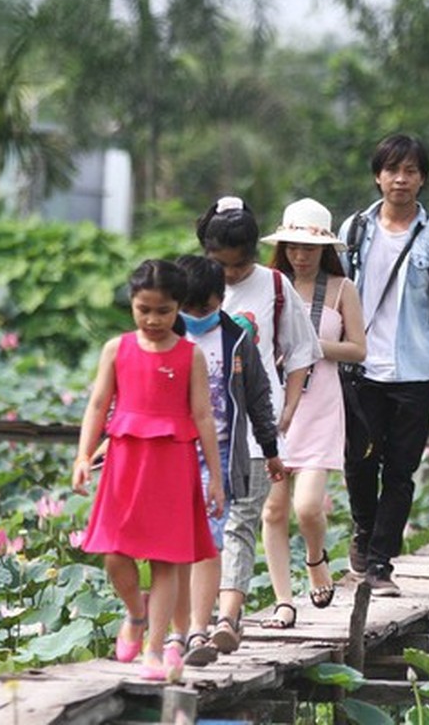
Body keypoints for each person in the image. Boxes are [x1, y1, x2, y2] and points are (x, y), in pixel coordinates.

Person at [71, 259, 225, 682]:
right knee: (114, 554)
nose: (153, 319)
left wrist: (215, 478)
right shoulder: (116, 349)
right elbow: (98, 405)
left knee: (166, 561)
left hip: (173, 463)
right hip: (124, 460)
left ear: (178, 308)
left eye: (163, 311)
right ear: (132, 305)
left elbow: (203, 416)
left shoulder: (190, 355)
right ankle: (135, 613)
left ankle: (155, 650)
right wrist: (84, 457)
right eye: (144, 309)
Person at [338, 133, 429, 597]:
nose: (401, 179)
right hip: (361, 367)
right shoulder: (353, 230)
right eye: (392, 170)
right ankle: (363, 532)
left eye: (410, 171)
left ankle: (379, 562)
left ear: (422, 179)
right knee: (358, 460)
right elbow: (334, 295)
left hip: (418, 370)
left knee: (400, 470)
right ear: (378, 176)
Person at [195, 197, 323, 649]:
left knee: (241, 523)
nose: (228, 275)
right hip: (196, 430)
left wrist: (286, 410)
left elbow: (301, 352)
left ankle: (227, 619)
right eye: (220, 264)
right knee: (202, 525)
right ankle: (196, 621)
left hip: (253, 427)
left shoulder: (274, 286)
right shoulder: (191, 283)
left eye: (237, 264)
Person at [259, 198, 367, 626]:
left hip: (321, 403)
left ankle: (316, 557)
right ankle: (285, 601)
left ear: (325, 249)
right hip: (273, 403)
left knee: (307, 507)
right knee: (272, 510)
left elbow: (359, 349)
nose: (300, 255)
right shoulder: (268, 284)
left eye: (309, 248)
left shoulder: (343, 290)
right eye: (292, 247)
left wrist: (310, 348)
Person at [169, 255, 279, 665]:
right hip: (170, 455)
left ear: (221, 300)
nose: (197, 317)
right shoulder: (167, 335)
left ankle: (199, 630)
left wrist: (270, 450)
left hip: (217, 460)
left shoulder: (237, 341)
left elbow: (258, 397)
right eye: (190, 309)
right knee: (173, 548)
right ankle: (173, 631)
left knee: (208, 544)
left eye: (207, 309)